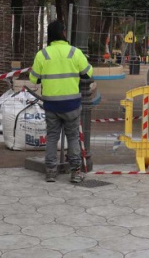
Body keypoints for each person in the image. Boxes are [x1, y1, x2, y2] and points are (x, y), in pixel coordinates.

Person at [30, 20, 93, 183]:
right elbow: (88, 73)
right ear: (63, 33)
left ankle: (50, 171)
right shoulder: (75, 52)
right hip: (71, 104)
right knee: (73, 137)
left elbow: (34, 79)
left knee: (52, 137)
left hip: (51, 104)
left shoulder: (42, 54)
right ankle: (75, 172)